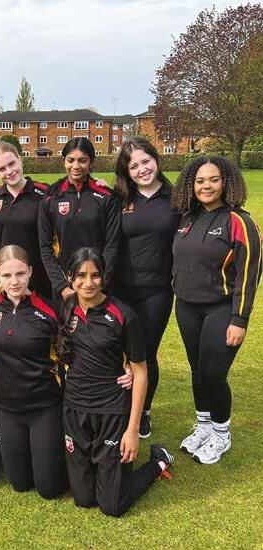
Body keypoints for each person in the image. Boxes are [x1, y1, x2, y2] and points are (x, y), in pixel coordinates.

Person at [59, 247, 174, 517]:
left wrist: (132, 430)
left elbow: (141, 372)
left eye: (95, 275)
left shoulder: (123, 315)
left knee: (112, 506)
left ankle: (158, 462)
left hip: (111, 411)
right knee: (83, 499)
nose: (88, 283)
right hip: (75, 410)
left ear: (105, 276)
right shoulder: (66, 307)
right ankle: (103, 468)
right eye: (81, 275)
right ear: (69, 277)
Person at [172, 156, 261, 464]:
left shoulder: (239, 221)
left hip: (221, 309)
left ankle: (221, 434)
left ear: (226, 182)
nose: (206, 186)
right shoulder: (186, 217)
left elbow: (249, 274)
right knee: (197, 370)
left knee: (213, 373)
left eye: (213, 179)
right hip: (186, 307)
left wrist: (239, 319)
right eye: (200, 181)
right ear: (191, 184)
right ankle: (204, 426)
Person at [0, 245, 67, 499]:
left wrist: (124, 367)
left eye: (20, 273)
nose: (14, 281)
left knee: (49, 489)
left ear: (31, 271)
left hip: (43, 406)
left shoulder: (49, 311)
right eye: (7, 275)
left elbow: (75, 350)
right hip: (7, 408)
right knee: (20, 484)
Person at [113, 137, 179, 438]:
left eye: (145, 161)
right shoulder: (119, 198)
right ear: (126, 172)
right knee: (118, 351)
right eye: (134, 166)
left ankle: (144, 411)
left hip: (157, 290)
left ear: (156, 159)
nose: (142, 169)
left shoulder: (177, 198)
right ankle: (118, 407)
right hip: (120, 289)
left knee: (145, 353)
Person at [38, 138, 120, 308]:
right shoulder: (51, 196)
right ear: (64, 161)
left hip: (97, 285)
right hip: (65, 287)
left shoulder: (107, 197)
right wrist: (62, 286)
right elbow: (45, 247)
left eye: (82, 160)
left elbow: (112, 245)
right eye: (70, 160)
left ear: (91, 162)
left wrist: (99, 282)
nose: (76, 166)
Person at [0, 142, 51, 298]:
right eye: (1, 169)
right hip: (5, 279)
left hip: (39, 278)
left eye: (12, 164)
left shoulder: (44, 193)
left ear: (20, 159)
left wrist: (93, 183)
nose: (9, 171)